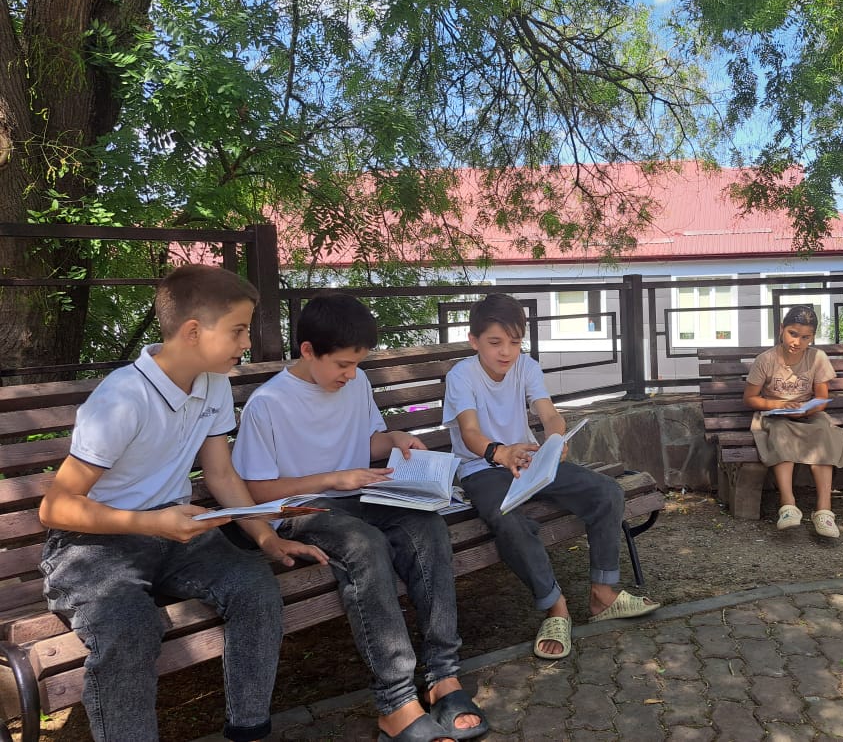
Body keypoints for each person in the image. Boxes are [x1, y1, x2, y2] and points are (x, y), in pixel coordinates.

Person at [38, 264, 328, 742]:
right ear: (193, 331)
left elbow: (221, 474)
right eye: (237, 330)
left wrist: (266, 538)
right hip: (92, 545)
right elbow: (54, 508)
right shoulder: (123, 398)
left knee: (255, 588)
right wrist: (150, 523)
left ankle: (248, 731)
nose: (245, 343)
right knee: (130, 626)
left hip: (175, 534)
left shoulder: (213, 383)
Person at [231, 292, 487, 742]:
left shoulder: (356, 381)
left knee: (427, 526)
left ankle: (443, 676)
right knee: (364, 545)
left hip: (361, 495)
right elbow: (256, 490)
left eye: (357, 364)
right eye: (343, 365)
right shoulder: (268, 404)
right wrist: (332, 479)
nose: (351, 375)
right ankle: (396, 701)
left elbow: (368, 442)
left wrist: (396, 438)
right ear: (308, 350)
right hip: (303, 509)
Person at [443, 293, 660, 661]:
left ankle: (602, 595)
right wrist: (501, 452)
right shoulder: (462, 376)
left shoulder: (526, 366)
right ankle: (555, 608)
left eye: (515, 342)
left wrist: (556, 439)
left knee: (606, 492)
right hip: (483, 469)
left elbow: (549, 414)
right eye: (495, 342)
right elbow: (469, 433)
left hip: (530, 462)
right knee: (508, 519)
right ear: (474, 340)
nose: (506, 352)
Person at [743, 305, 843, 538]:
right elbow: (750, 398)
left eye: (805, 337)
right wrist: (778, 405)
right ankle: (788, 505)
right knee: (780, 435)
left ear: (812, 337)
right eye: (792, 333)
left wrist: (805, 410)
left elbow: (821, 399)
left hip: (808, 415)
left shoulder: (817, 358)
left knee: (824, 432)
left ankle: (824, 511)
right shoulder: (766, 360)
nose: (797, 342)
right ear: (781, 329)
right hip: (776, 416)